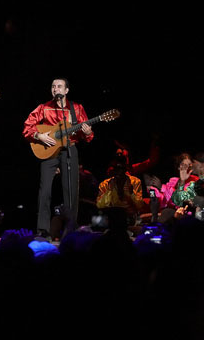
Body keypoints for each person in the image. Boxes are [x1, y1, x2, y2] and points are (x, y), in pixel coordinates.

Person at [22, 77, 93, 240]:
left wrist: (88, 133)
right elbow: (27, 126)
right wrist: (38, 135)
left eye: (59, 86)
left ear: (66, 90)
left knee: (71, 191)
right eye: (53, 86)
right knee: (45, 190)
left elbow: (85, 135)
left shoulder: (77, 108)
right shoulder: (43, 107)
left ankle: (70, 229)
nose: (55, 89)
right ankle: (42, 230)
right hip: (48, 150)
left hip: (69, 149)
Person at [96, 155, 145, 228]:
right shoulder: (105, 184)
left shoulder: (135, 182)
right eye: (116, 169)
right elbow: (100, 205)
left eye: (121, 168)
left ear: (126, 169)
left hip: (129, 217)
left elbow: (139, 205)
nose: (119, 172)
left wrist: (131, 193)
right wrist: (109, 190)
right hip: (112, 218)